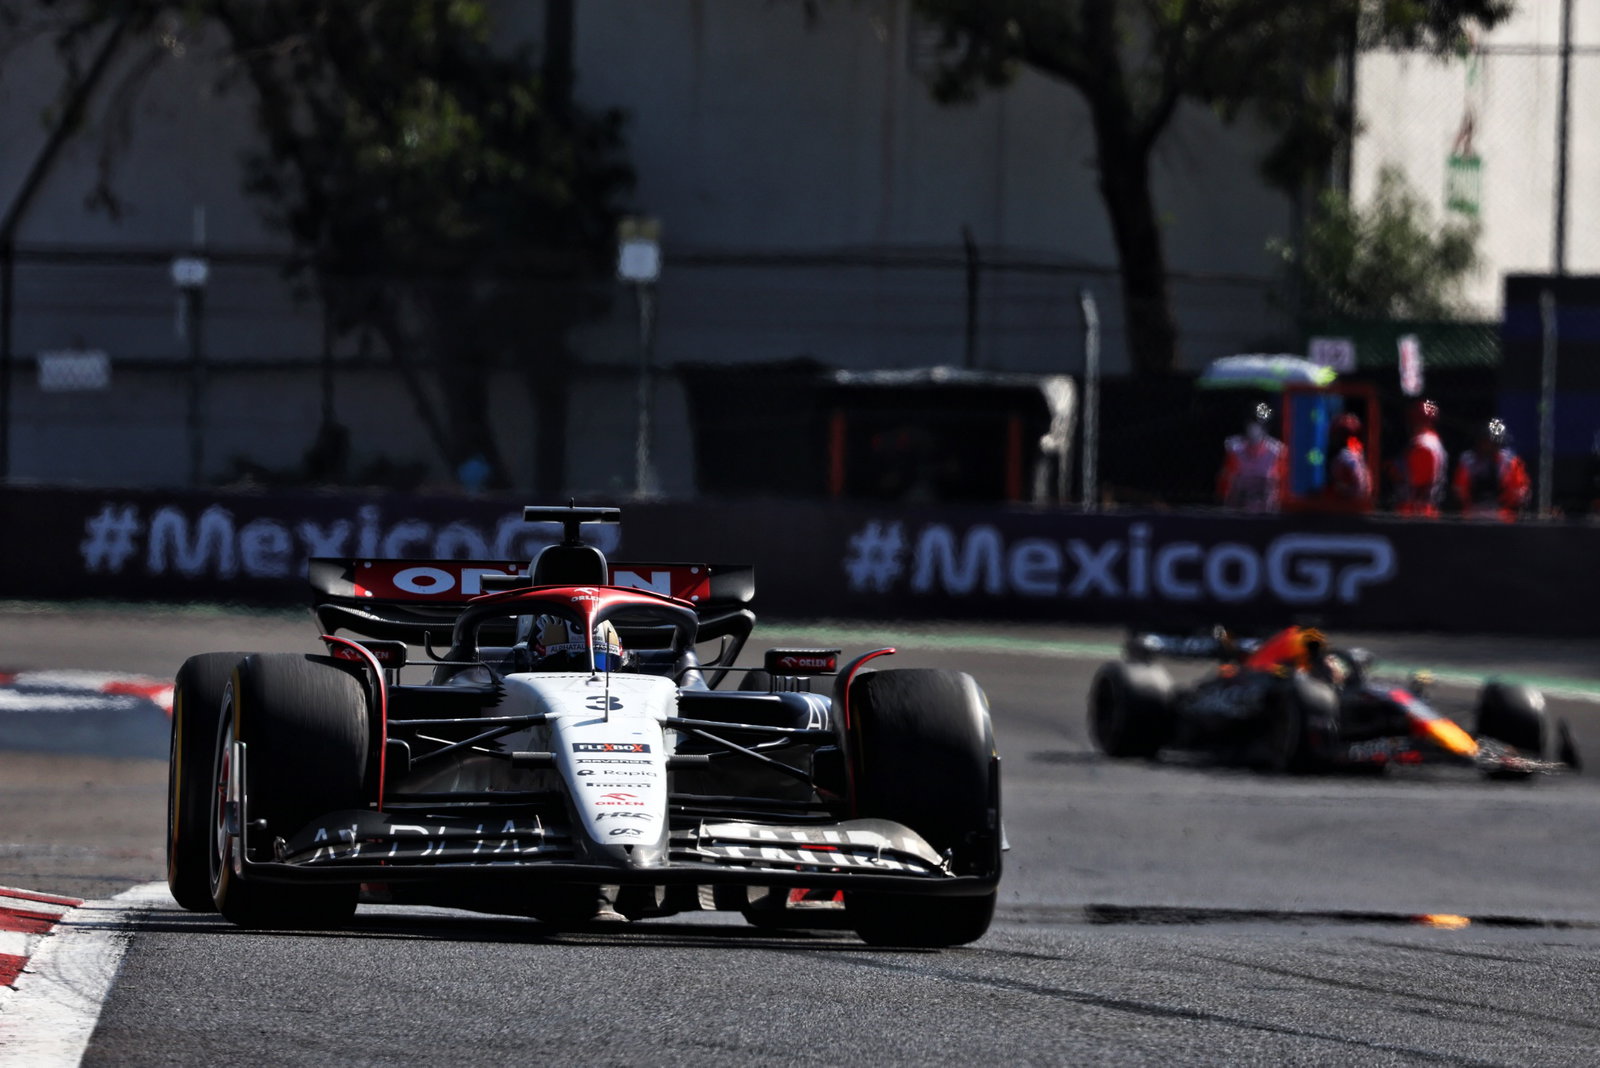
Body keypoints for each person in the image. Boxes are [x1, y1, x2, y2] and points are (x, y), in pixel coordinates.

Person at [1453, 418, 1529, 521]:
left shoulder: (1510, 462)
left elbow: (1519, 494)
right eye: (1485, 440)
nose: (1488, 445)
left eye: (1492, 441)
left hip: (1502, 516)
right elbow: (1460, 491)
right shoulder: (1468, 460)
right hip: (1473, 514)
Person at [1216, 404, 1284, 512]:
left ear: (1265, 428)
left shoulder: (1277, 451)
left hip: (1267, 512)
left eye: (1258, 425)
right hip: (1237, 510)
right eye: (1251, 424)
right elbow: (1225, 486)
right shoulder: (1234, 448)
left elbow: (1280, 488)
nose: (1253, 428)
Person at [1395, 399, 1447, 518]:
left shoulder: (1423, 444)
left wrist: (1395, 474)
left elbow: (1419, 483)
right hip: (1425, 510)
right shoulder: (1434, 442)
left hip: (1417, 512)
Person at [1324, 411, 1373, 511]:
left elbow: (1359, 488)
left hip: (1348, 510)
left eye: (1338, 434)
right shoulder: (1357, 455)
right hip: (1356, 508)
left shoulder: (1345, 457)